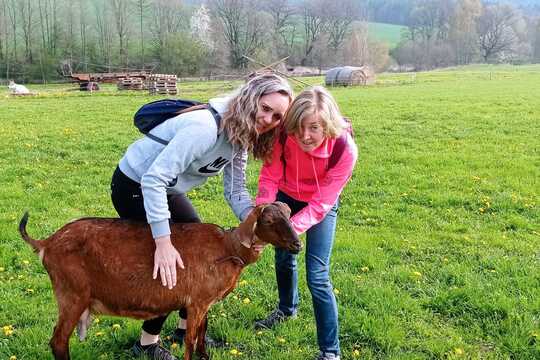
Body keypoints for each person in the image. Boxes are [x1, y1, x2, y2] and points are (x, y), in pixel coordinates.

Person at [110, 73, 293, 360]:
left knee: (199, 248)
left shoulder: (241, 135)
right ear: (250, 98)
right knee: (178, 265)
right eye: (265, 107)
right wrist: (164, 242)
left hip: (167, 188)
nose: (268, 119)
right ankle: (146, 343)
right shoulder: (204, 128)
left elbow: (235, 191)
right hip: (135, 185)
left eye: (277, 116)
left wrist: (254, 228)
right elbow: (153, 180)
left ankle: (186, 330)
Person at [254, 86, 357, 360]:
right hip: (287, 195)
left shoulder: (345, 149)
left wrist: (289, 231)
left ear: (328, 124)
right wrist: (264, 215)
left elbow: (321, 205)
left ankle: (330, 353)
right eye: (299, 127)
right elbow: (269, 177)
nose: (305, 136)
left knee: (318, 275)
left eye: (314, 127)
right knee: (283, 258)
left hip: (321, 203)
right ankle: (287, 309)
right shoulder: (282, 135)